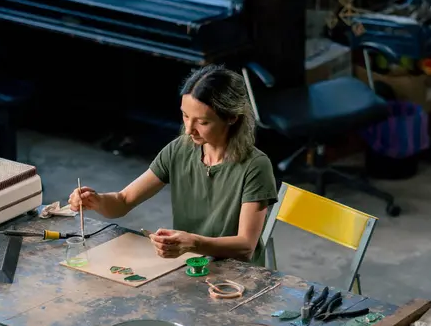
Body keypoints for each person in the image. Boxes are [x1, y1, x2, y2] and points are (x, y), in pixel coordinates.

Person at [68, 64, 278, 265]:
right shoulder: (180, 149)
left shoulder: (255, 167)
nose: (189, 129)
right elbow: (123, 201)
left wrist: (193, 243)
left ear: (232, 118)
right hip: (189, 266)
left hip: (237, 277)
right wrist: (96, 201)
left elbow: (245, 246)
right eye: (185, 116)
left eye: (202, 122)